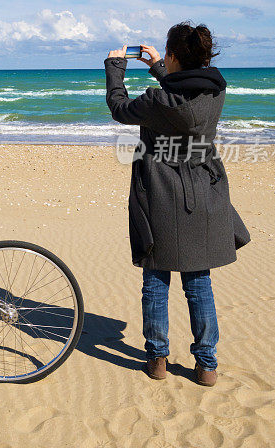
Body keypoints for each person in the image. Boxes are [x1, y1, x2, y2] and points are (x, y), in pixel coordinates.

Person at [103, 22, 251, 387]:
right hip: (204, 191)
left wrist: (115, 67)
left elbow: (120, 108)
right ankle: (207, 366)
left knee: (155, 278)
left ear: (174, 56)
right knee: (198, 282)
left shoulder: (157, 101)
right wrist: (159, 66)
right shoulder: (215, 92)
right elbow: (185, 88)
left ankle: (157, 359)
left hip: (161, 193)